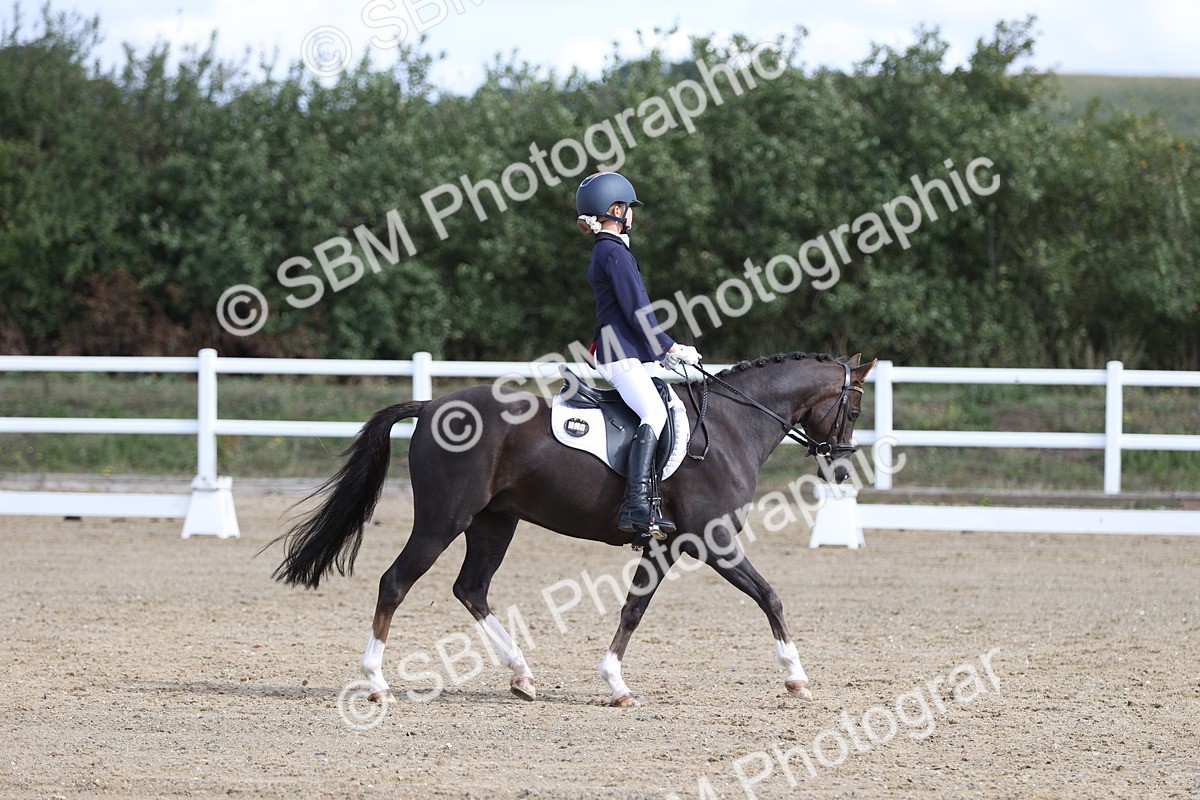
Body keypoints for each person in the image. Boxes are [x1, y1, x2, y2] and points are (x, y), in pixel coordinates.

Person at [575, 171, 701, 537]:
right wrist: (669, 347)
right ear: (616, 210)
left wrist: (659, 355)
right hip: (618, 352)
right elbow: (637, 311)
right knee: (654, 413)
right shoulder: (614, 253)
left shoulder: (608, 250)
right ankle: (636, 505)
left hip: (623, 349)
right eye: (630, 207)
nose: (633, 214)